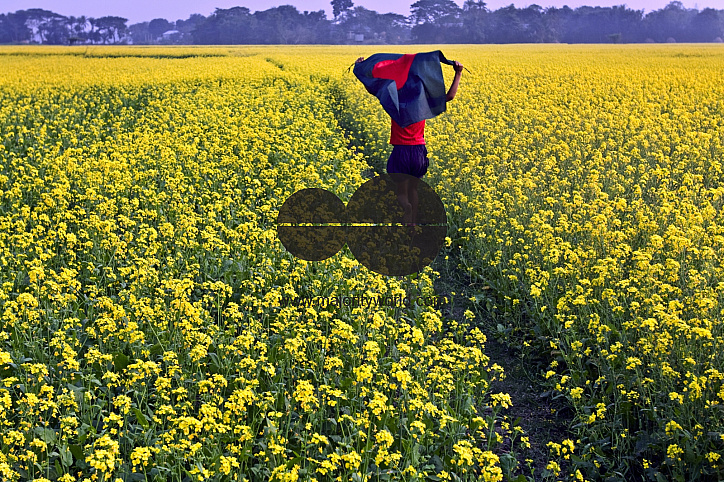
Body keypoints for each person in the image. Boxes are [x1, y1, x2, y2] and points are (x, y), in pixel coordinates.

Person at [355, 56, 463, 225]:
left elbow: (374, 88)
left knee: (401, 193)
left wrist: (360, 68)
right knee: (414, 188)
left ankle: (406, 208)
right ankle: (412, 223)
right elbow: (449, 96)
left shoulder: (396, 101)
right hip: (419, 151)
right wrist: (458, 74)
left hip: (401, 151)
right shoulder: (423, 103)